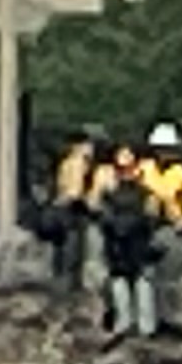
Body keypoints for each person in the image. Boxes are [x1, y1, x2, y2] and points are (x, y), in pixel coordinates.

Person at [93, 144, 167, 340]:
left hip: (133, 241)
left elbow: (152, 217)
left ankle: (140, 325)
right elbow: (102, 214)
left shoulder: (145, 193)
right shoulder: (113, 193)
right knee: (124, 281)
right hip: (122, 242)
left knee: (138, 281)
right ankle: (131, 324)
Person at [44, 125, 103, 294]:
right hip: (72, 213)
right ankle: (68, 286)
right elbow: (73, 192)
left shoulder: (69, 163)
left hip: (68, 211)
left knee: (66, 251)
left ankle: (65, 283)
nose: (91, 149)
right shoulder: (76, 163)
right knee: (72, 250)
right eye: (88, 145)